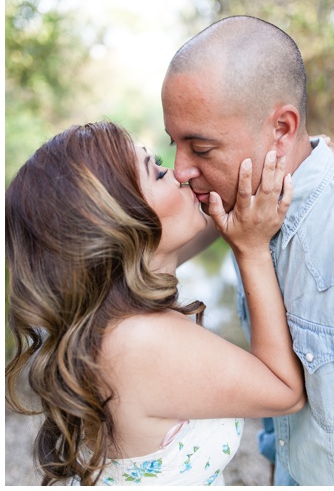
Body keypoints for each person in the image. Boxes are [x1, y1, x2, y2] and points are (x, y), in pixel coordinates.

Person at [5, 121, 304, 485]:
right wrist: (252, 249)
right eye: (158, 170)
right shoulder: (140, 342)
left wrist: (301, 152)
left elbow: (224, 216)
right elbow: (285, 392)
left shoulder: (113, 313)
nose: (178, 173)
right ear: (117, 220)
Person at [161, 15, 334, 486]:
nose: (181, 170)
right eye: (174, 145)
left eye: (200, 149)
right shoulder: (240, 216)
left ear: (282, 129)